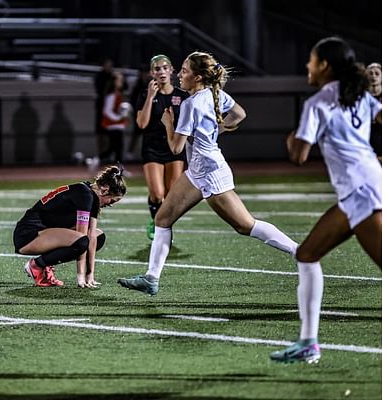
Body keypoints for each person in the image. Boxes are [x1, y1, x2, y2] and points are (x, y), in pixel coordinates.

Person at [117, 51, 298, 296]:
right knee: (162, 219)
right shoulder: (214, 94)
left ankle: (299, 251)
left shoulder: (190, 104)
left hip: (211, 171)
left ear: (198, 77)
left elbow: (175, 148)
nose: (180, 74)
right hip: (197, 171)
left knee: (245, 226)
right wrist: (214, 131)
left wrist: (169, 123)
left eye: (185, 70)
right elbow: (239, 115)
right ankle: (151, 278)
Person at [269, 37, 382, 364]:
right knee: (307, 254)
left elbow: (298, 156)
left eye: (312, 60)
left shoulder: (317, 103)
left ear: (325, 66)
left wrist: (290, 137)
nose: (307, 65)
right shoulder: (358, 94)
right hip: (361, 190)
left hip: (362, 193)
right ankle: (308, 342)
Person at [14, 165, 127, 288]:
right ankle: (36, 265)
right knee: (82, 241)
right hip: (28, 234)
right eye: (111, 201)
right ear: (104, 190)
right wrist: (80, 276)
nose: (109, 205)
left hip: (44, 233)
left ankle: (43, 265)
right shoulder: (85, 195)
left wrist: (90, 275)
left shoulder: (91, 195)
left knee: (98, 237)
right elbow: (82, 238)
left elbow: (92, 237)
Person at [133, 54, 190, 240]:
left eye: (165, 67)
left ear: (172, 70)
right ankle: (156, 222)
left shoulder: (182, 95)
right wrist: (150, 96)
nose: (162, 71)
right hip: (152, 148)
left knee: (171, 193)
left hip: (174, 147)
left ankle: (164, 225)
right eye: (157, 68)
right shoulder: (145, 94)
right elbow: (141, 124)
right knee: (157, 194)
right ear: (152, 73)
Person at [98, 72, 130, 168]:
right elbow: (106, 111)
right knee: (115, 147)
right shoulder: (111, 95)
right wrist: (118, 118)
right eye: (119, 80)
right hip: (112, 124)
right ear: (114, 82)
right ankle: (96, 160)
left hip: (118, 124)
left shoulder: (119, 94)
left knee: (117, 147)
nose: (121, 82)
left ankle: (119, 168)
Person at [366, 62, 382, 161]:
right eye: (370, 73)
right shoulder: (361, 96)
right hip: (367, 136)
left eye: (377, 73)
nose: (373, 76)